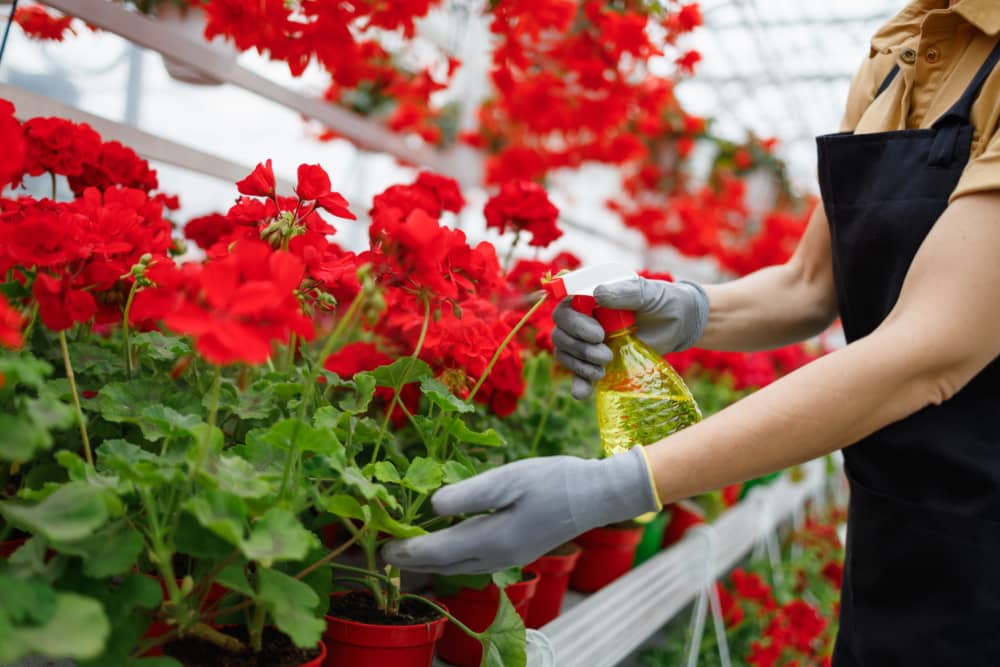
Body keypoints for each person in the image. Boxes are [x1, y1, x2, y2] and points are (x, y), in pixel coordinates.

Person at [384, 1, 1000, 663]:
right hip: (892, 527)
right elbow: (809, 285)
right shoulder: (896, 50)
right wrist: (687, 310)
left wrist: (609, 487)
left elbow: (926, 351)